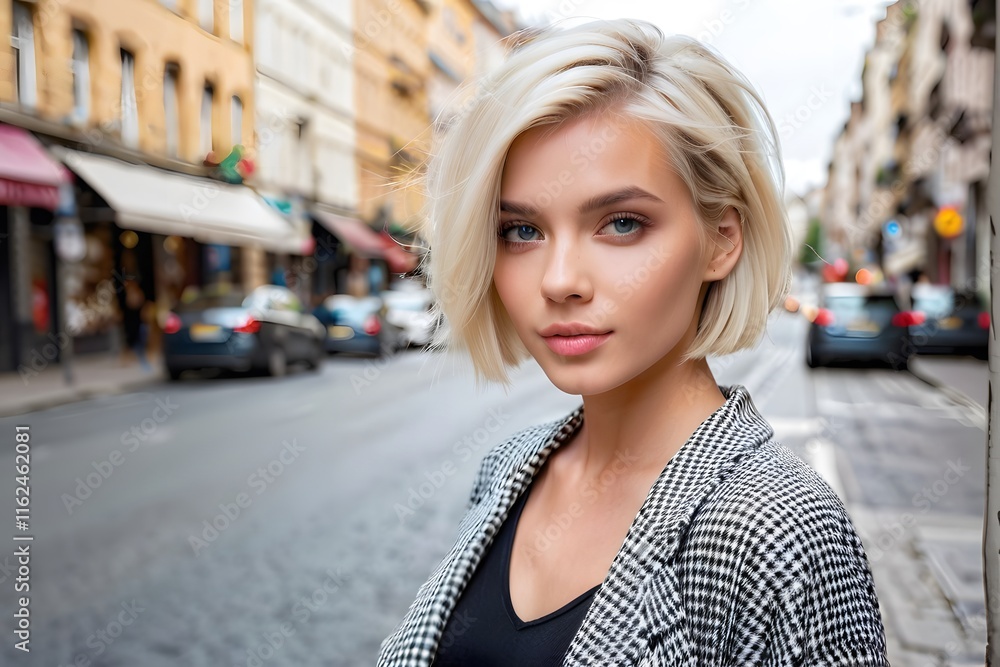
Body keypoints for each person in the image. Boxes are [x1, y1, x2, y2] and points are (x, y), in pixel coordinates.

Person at [378, 19, 888, 666]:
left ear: (722, 240)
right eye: (522, 230)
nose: (560, 280)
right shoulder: (507, 466)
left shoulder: (780, 528)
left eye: (622, 223)